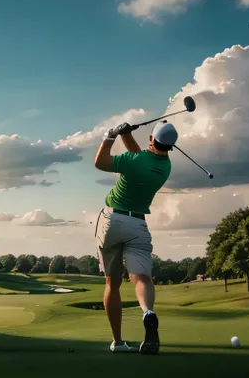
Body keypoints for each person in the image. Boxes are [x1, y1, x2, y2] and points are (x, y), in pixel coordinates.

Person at [93, 120, 178, 355]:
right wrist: (126, 136)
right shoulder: (165, 167)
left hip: (112, 221)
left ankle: (118, 342)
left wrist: (110, 136)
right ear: (170, 147)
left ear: (151, 138)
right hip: (138, 225)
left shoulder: (135, 161)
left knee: (113, 283)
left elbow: (100, 163)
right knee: (142, 278)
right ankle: (148, 313)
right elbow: (140, 156)